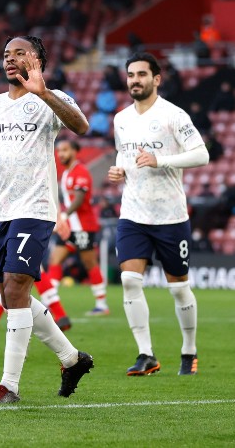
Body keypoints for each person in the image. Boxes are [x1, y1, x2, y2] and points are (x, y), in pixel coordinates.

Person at [0, 36, 94, 403]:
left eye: (20, 54)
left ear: (38, 60)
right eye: (6, 54)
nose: (10, 60)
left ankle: (9, 386)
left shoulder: (48, 99)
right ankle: (72, 359)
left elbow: (82, 127)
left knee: (13, 288)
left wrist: (44, 94)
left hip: (36, 209)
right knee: (13, 296)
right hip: (3, 212)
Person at [108, 51, 209, 377]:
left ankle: (189, 350)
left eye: (141, 74)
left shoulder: (173, 115)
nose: (135, 80)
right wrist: (119, 170)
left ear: (156, 79)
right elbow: (123, 154)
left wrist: (160, 160)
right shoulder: (120, 118)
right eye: (131, 75)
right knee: (129, 280)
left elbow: (202, 155)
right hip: (133, 213)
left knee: (179, 288)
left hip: (170, 215)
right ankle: (146, 354)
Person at [50, 140, 109, 316]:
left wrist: (64, 216)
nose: (61, 154)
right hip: (69, 227)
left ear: (75, 151)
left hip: (83, 226)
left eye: (65, 150)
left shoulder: (80, 171)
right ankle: (50, 299)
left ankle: (102, 304)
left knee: (89, 262)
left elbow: (79, 198)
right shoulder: (67, 173)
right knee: (55, 260)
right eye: (59, 151)